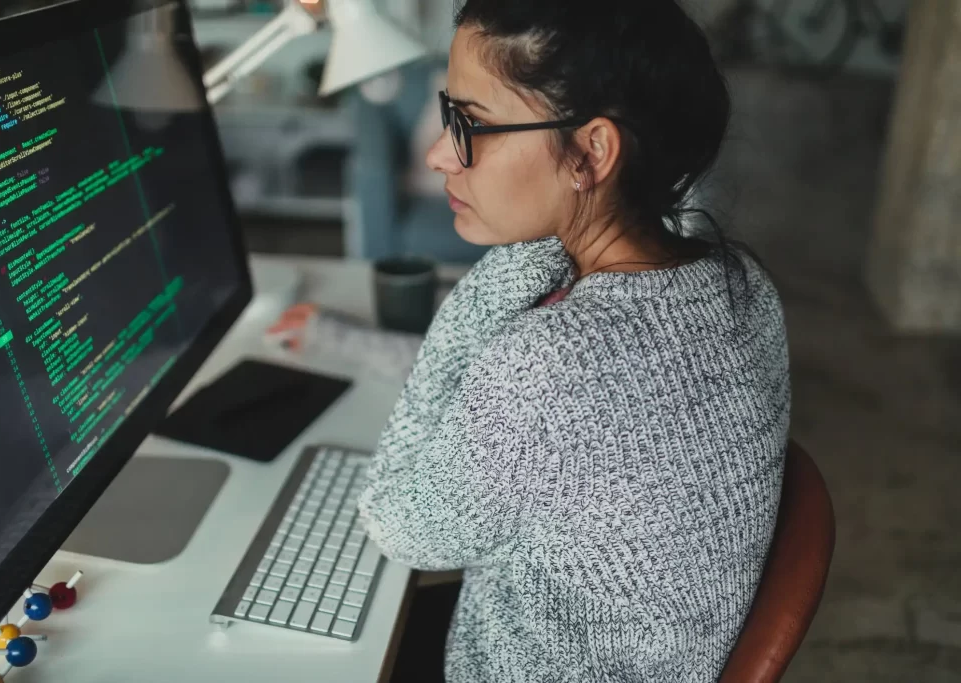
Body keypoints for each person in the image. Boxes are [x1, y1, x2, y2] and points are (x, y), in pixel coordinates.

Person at [274, 0, 790, 680]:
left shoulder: (555, 359)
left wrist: (505, 263)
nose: (436, 153)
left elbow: (396, 523)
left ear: (592, 150)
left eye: (470, 123)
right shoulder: (740, 282)